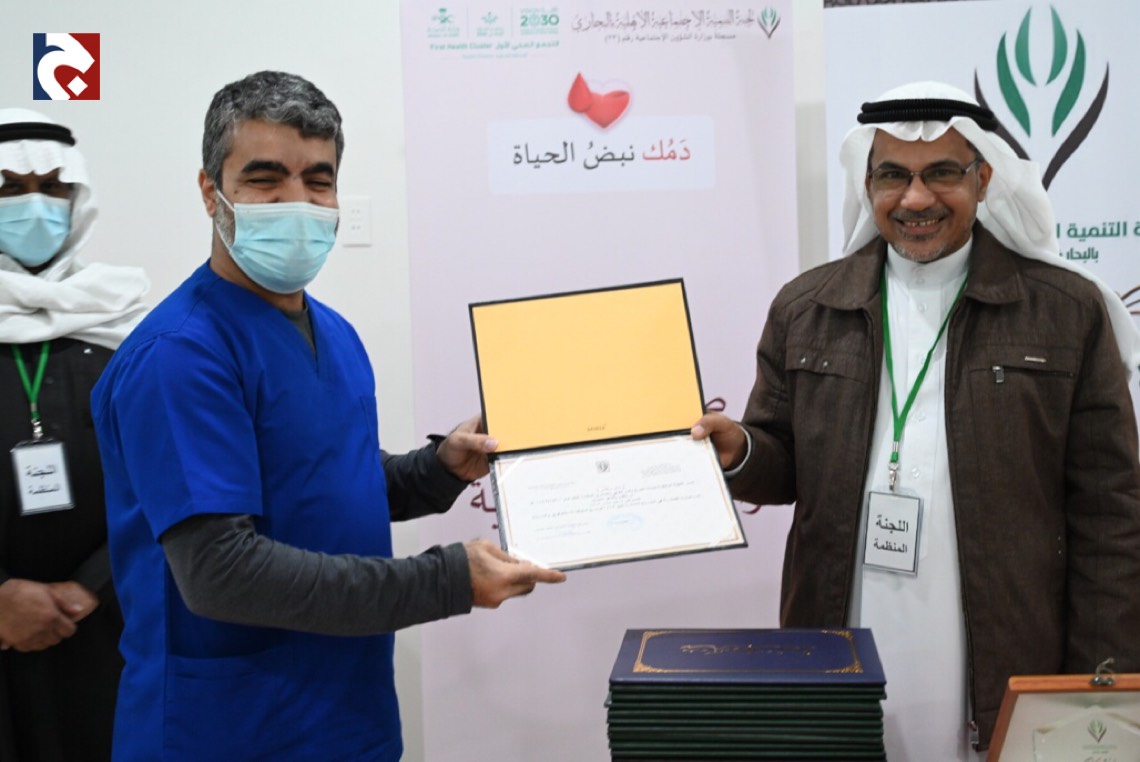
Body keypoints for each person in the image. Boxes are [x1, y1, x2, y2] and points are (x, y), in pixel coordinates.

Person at [90, 71, 565, 761]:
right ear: (210, 192)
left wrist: (435, 470)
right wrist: (446, 580)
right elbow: (221, 571)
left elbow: (318, 479)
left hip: (347, 714)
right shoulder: (179, 356)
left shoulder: (335, 334)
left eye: (318, 180)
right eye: (265, 179)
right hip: (227, 728)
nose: (297, 202)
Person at [692, 81, 1140, 759]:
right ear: (867, 183)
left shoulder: (1066, 311)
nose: (916, 198)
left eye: (942, 174)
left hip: (1006, 632)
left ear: (983, 179)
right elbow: (782, 461)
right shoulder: (807, 307)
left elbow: (1110, 511)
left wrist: (1100, 679)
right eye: (893, 176)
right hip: (847, 617)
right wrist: (740, 452)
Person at [0, 109, 148, 761]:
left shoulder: (122, 317)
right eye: (10, 188)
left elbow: (161, 475)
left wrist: (92, 585)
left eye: (52, 187)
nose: (35, 205)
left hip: (108, 625)